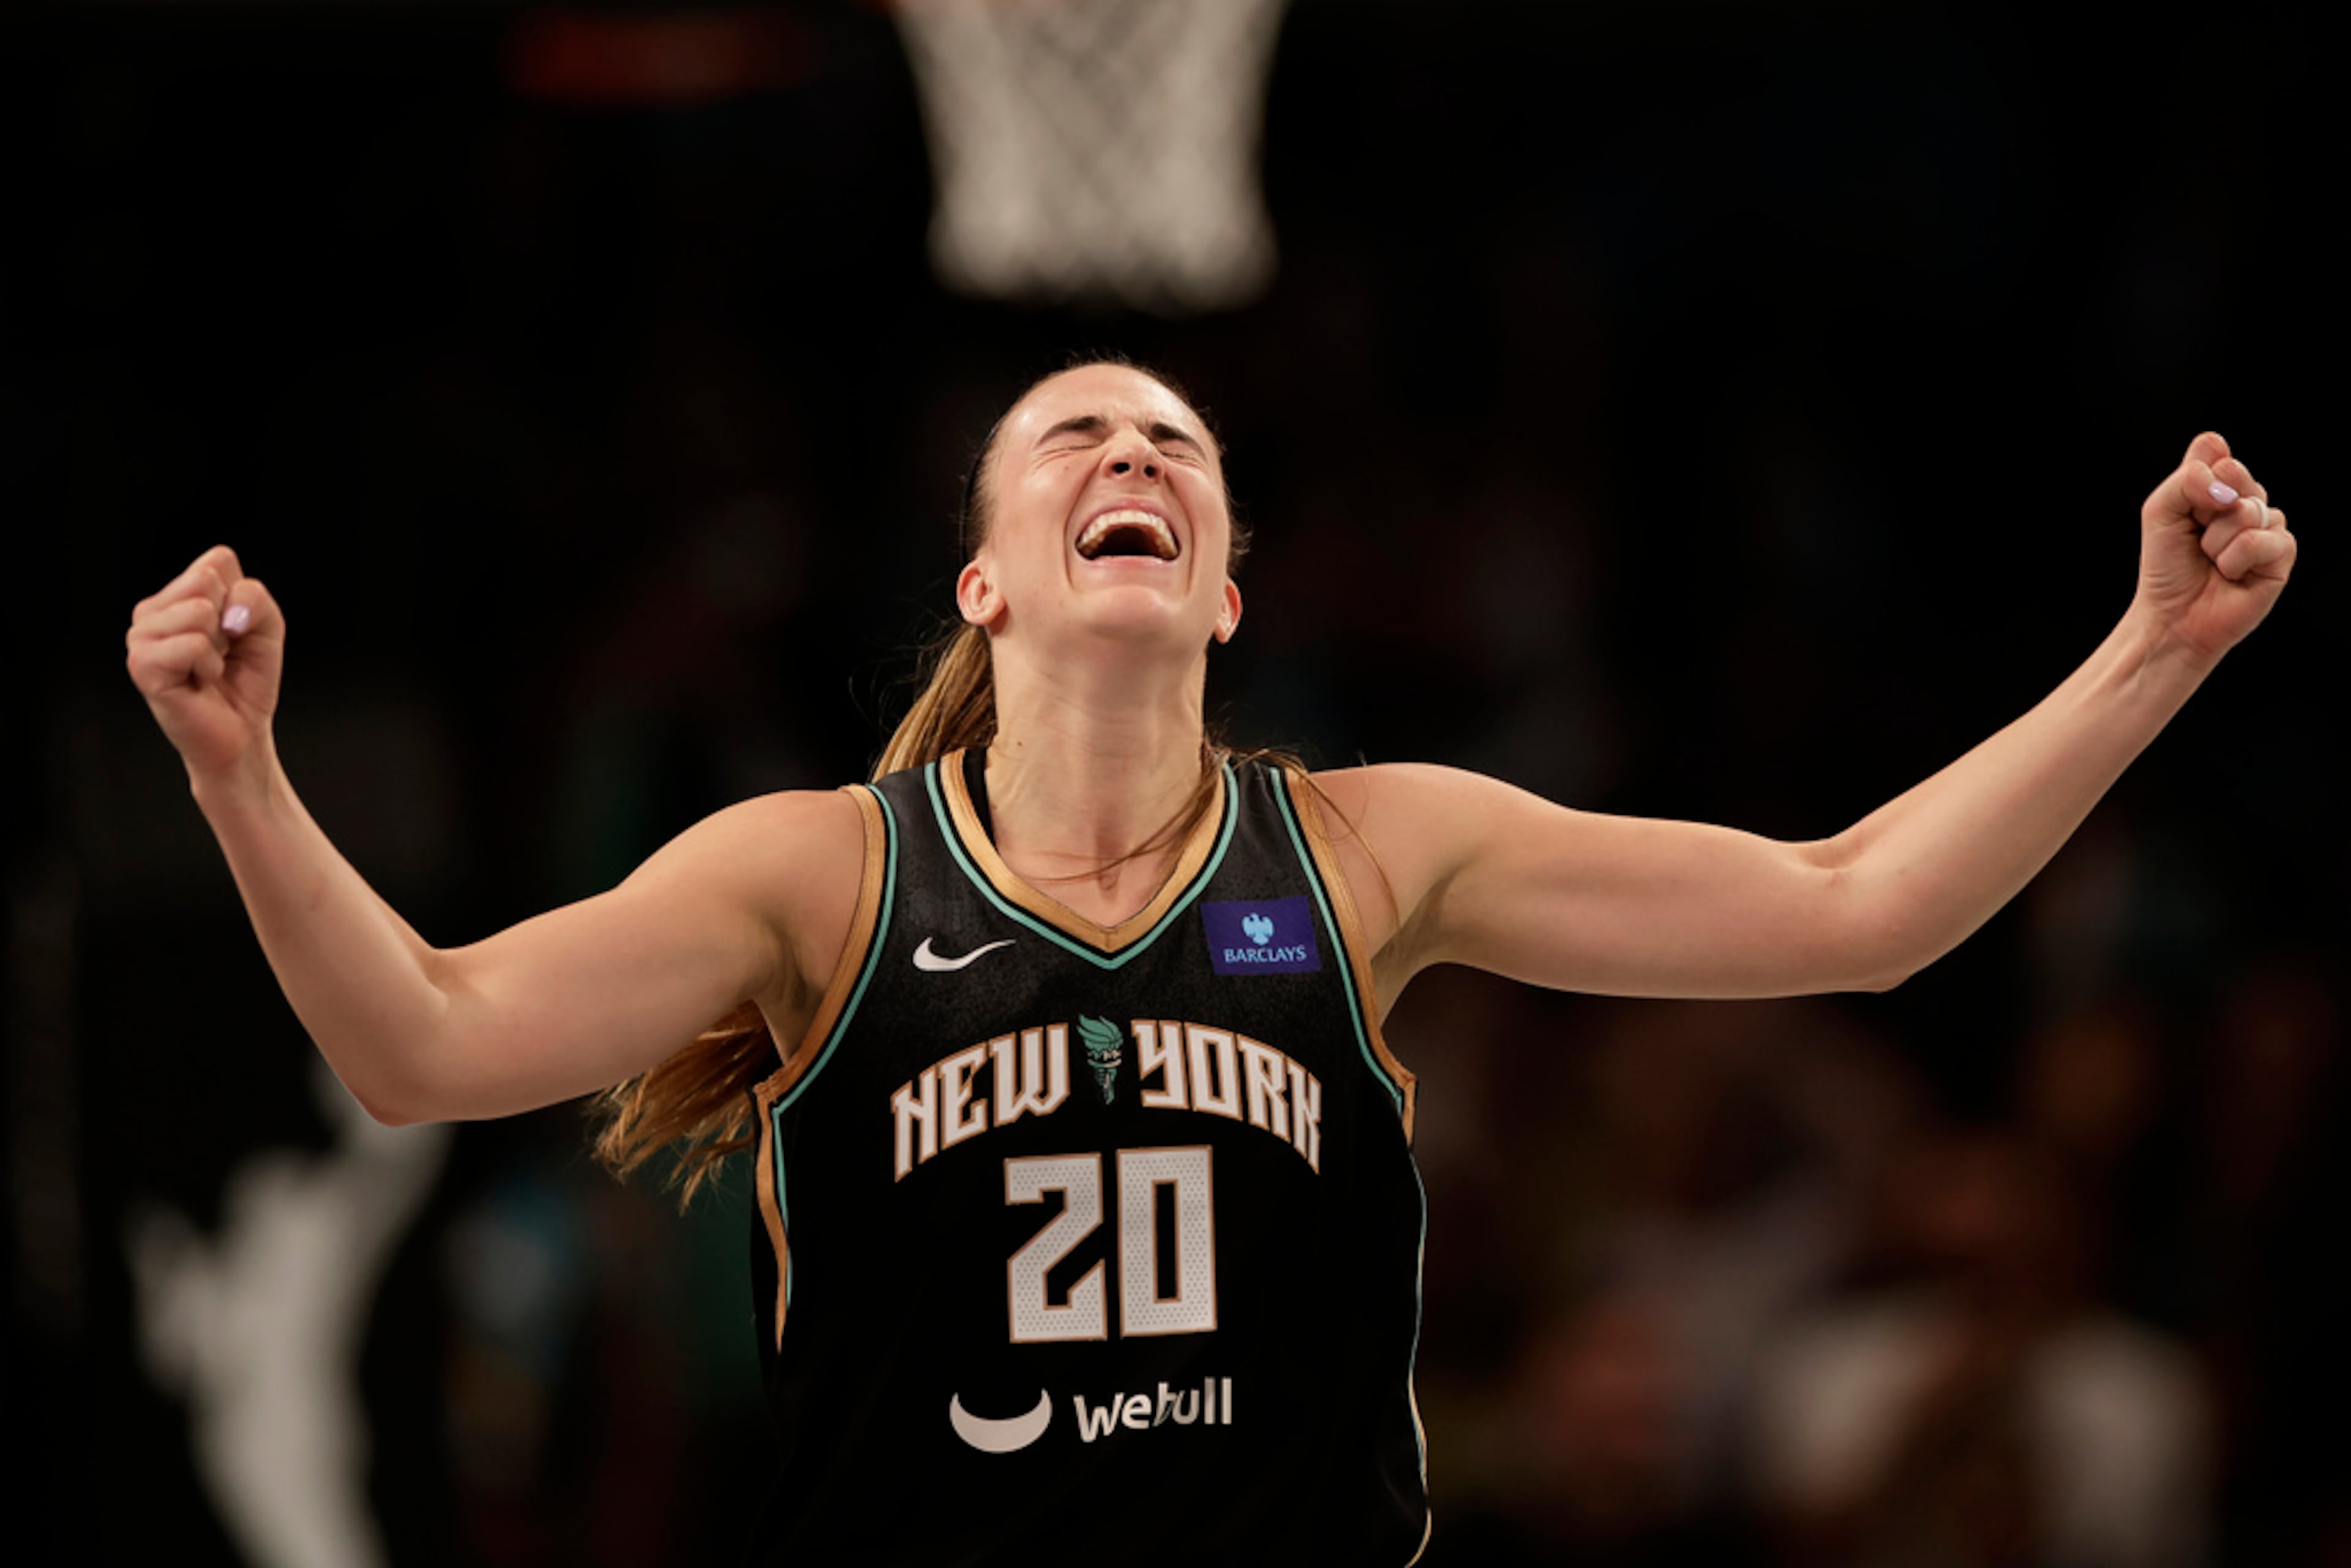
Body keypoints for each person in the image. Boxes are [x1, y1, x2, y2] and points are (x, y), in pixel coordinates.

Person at [123, 359, 2295, 1567]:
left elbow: (1857, 908)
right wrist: (240, 775)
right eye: (1077, 433)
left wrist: (2156, 649)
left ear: (1230, 587)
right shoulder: (816, 877)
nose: (1135, 452)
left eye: (1177, 443)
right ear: (985, 574)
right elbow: (419, 1043)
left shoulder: (1362, 853)